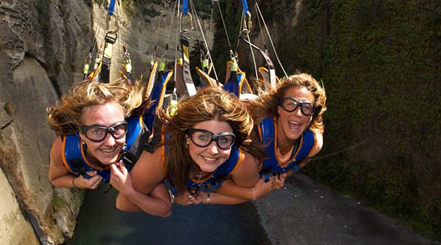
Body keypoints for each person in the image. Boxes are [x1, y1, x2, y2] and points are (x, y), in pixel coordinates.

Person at [114, 86, 277, 215]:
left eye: (224, 139)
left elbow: (246, 192)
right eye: (203, 138)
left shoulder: (240, 159)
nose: (213, 150)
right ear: (187, 137)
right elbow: (124, 204)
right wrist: (153, 190)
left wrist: (206, 198)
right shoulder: (163, 155)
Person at [47, 79, 172, 217]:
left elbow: (165, 208)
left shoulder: (138, 150)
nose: (110, 142)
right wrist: (78, 182)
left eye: (117, 128)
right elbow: (55, 179)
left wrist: (128, 191)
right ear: (81, 134)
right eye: (97, 131)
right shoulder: (65, 150)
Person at [248, 72, 326, 184]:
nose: (298, 113)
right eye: (291, 104)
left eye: (307, 108)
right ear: (279, 108)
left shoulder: (313, 143)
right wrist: (254, 193)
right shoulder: (256, 133)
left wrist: (283, 175)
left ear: (312, 116)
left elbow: (304, 160)